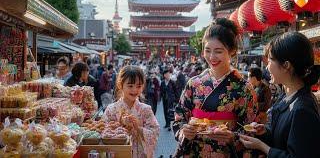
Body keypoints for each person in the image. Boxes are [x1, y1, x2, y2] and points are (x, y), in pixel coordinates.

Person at [173, 18, 258, 157]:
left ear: (232, 51)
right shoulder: (194, 83)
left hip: (225, 153)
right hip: (195, 152)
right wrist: (184, 130)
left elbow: (252, 128)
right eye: (207, 50)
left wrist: (233, 137)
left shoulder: (244, 88)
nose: (212, 57)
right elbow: (180, 116)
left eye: (218, 51)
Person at [239, 32, 320, 158]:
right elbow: (282, 140)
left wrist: (262, 147)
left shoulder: (302, 109)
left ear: (286, 65)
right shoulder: (287, 96)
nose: (267, 68)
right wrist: (265, 132)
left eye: (270, 60)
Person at [102, 65, 160, 158]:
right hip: (118, 153)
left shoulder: (146, 109)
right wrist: (120, 126)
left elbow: (154, 133)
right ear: (121, 85)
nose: (134, 90)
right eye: (130, 86)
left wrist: (138, 127)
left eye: (139, 86)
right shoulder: (111, 110)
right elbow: (103, 133)